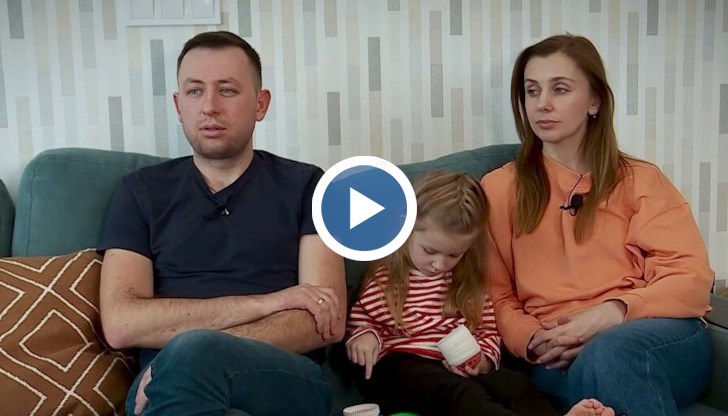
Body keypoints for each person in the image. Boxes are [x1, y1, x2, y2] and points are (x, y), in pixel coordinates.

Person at [98, 31, 346, 416]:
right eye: (195, 91)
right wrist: (270, 303)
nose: (210, 106)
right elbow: (121, 323)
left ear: (260, 104)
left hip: (283, 378)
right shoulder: (139, 192)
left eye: (227, 90)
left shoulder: (309, 186)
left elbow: (324, 321)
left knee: (191, 355)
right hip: (170, 386)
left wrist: (185, 356)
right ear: (179, 105)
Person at [482, 34, 713, 416]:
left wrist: (613, 313)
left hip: (657, 336)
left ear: (595, 101)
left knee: (611, 352)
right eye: (532, 91)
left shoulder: (640, 180)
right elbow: (495, 297)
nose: (542, 104)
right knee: (597, 364)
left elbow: (690, 278)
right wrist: (536, 339)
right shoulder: (499, 189)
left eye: (560, 89)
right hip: (559, 353)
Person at [345, 171, 614, 416]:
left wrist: (483, 361)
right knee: (459, 392)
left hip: (456, 369)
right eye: (430, 251)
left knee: (512, 383)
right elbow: (362, 319)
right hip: (402, 369)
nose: (439, 264)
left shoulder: (467, 282)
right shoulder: (386, 277)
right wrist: (364, 336)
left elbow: (487, 331)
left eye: (453, 255)